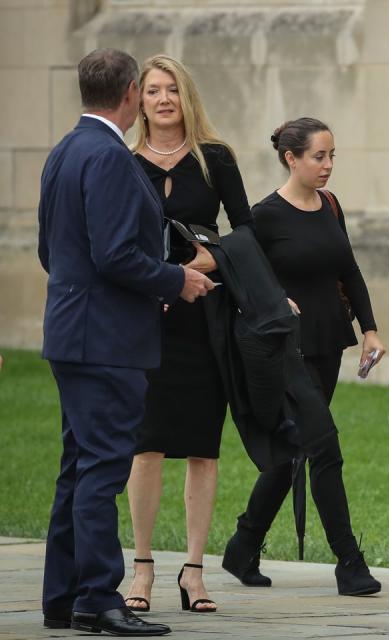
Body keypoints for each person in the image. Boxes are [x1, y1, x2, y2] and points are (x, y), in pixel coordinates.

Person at [38, 48, 213, 636]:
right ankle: (97, 599)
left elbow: (52, 251)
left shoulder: (65, 150)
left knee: (78, 468)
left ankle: (61, 597)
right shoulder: (109, 157)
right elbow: (115, 255)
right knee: (104, 470)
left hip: (70, 332)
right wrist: (175, 279)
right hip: (108, 340)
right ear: (132, 91)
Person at [221, 117, 384, 597]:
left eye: (333, 156)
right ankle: (349, 563)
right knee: (324, 448)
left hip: (328, 342)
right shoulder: (263, 217)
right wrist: (274, 298)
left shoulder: (330, 206)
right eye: (319, 156)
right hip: (284, 352)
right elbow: (237, 272)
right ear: (291, 158)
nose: (328, 165)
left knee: (294, 449)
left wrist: (370, 329)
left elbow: (348, 269)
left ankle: (243, 544)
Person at [122, 54, 252, 614]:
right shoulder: (123, 161)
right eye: (153, 90)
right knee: (145, 445)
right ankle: (143, 568)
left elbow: (247, 230)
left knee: (202, 447)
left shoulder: (215, 158)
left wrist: (213, 259)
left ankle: (195, 571)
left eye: (172, 89)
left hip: (205, 321)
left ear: (186, 96)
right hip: (145, 318)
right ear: (140, 100)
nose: (164, 99)